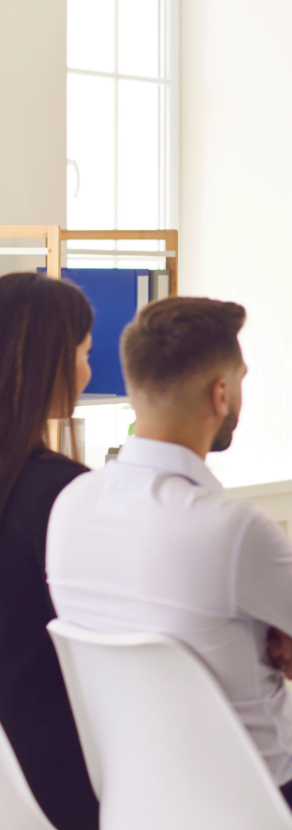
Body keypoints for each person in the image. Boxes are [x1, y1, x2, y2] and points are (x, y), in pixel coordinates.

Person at [46, 297, 292, 830]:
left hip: (142, 803)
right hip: (271, 803)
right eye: (241, 379)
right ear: (220, 393)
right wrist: (288, 632)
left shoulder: (70, 506)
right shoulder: (229, 530)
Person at [0, 273, 99, 830]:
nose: (88, 371)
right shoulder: (64, 492)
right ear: (49, 362)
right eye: (84, 353)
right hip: (61, 770)